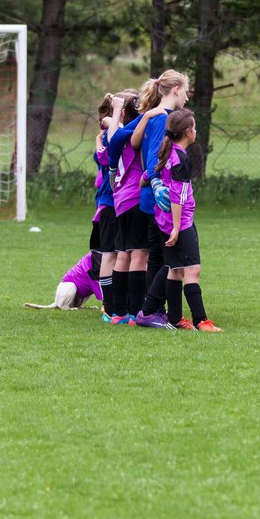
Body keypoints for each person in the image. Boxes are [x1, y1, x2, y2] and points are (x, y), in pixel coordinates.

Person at [139, 109, 222, 332]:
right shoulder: (181, 158)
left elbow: (146, 177)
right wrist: (176, 228)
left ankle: (175, 318)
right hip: (180, 223)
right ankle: (201, 321)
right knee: (192, 270)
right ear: (187, 131)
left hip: (162, 221)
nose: (195, 131)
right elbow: (178, 196)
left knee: (174, 269)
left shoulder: (166, 152)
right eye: (194, 127)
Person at [124, 70, 191, 327]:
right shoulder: (163, 119)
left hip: (150, 197)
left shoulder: (156, 117)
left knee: (158, 257)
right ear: (175, 90)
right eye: (185, 90)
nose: (186, 96)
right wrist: (154, 181)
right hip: (159, 201)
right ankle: (150, 309)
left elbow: (134, 142)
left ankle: (154, 310)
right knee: (170, 258)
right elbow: (154, 161)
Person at [104, 88, 146, 324]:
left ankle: (117, 313)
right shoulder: (132, 133)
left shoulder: (117, 130)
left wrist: (115, 112)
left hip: (120, 200)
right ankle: (135, 312)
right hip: (135, 198)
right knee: (139, 254)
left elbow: (110, 130)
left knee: (122, 255)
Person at [91, 94, 120, 321]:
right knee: (109, 255)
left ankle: (118, 302)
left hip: (117, 204)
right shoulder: (109, 137)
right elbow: (104, 159)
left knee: (119, 254)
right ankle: (108, 305)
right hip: (110, 205)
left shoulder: (105, 138)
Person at [24, 251, 104, 310]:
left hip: (80, 292)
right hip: (68, 286)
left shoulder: (98, 257)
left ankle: (77, 306)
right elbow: (96, 281)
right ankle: (65, 307)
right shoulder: (94, 259)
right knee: (71, 286)